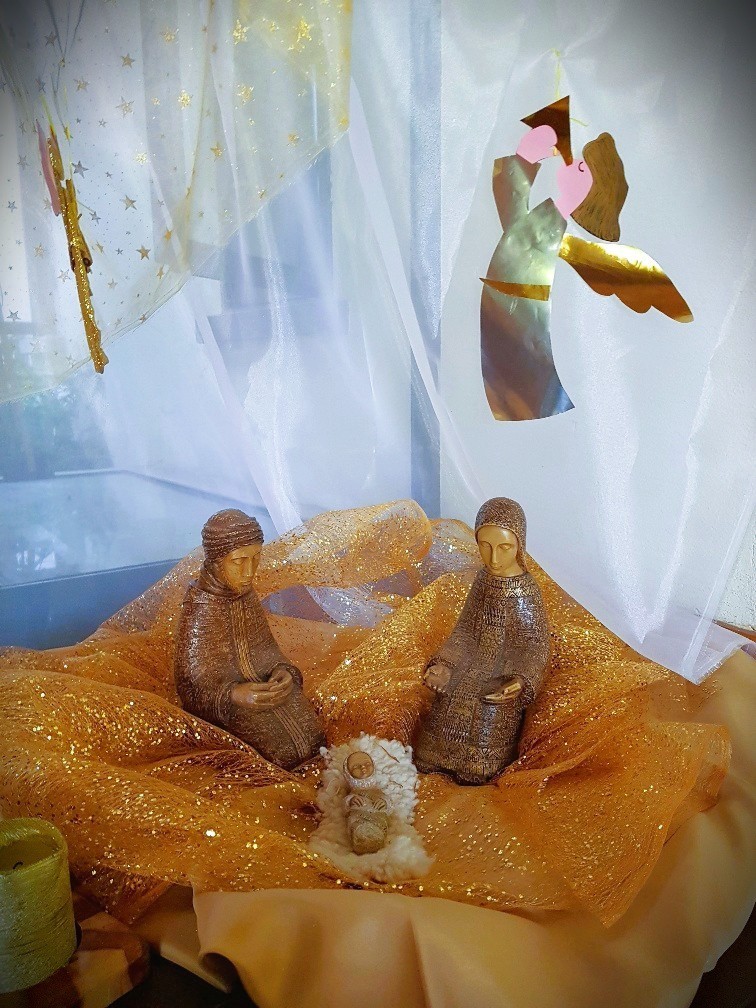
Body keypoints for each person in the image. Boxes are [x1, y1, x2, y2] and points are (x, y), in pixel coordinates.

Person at [174, 508, 325, 770]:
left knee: (313, 735)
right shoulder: (200, 609)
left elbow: (266, 649)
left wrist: (283, 672)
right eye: (239, 561)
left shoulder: (246, 595)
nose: (249, 572)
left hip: (261, 688)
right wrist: (234, 695)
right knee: (281, 753)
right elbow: (190, 687)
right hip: (228, 705)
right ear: (216, 562)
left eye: (256, 559)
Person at [413, 498, 550, 784]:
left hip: (504, 672)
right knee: (446, 699)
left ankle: (477, 768)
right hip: (469, 664)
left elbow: (535, 645)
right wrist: (445, 664)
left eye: (504, 547)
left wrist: (520, 681)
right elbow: (464, 630)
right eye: (485, 546)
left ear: (520, 545)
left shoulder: (526, 591)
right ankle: (436, 759)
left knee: (488, 709)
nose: (494, 558)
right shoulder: (482, 580)